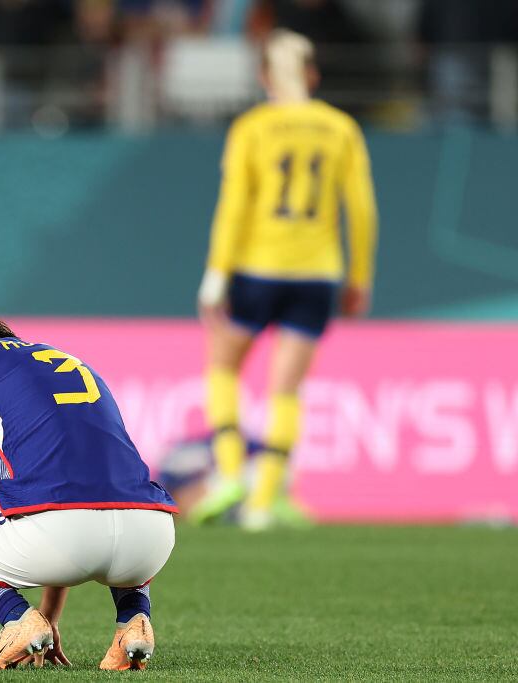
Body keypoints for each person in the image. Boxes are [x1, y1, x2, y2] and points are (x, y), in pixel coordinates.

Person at [0, 312, 178, 671]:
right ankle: (133, 620)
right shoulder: (68, 361)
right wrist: (50, 617)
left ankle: (14, 617)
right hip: (151, 539)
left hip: (59, 533)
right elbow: (76, 486)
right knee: (108, 493)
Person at [191, 30, 378, 530]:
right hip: (318, 273)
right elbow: (361, 209)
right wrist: (360, 275)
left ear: (264, 76)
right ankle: (262, 502)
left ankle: (231, 473)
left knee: (223, 366)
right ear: (312, 74)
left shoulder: (252, 127)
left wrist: (216, 274)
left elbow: (234, 206)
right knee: (287, 388)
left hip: (258, 268)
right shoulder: (340, 128)